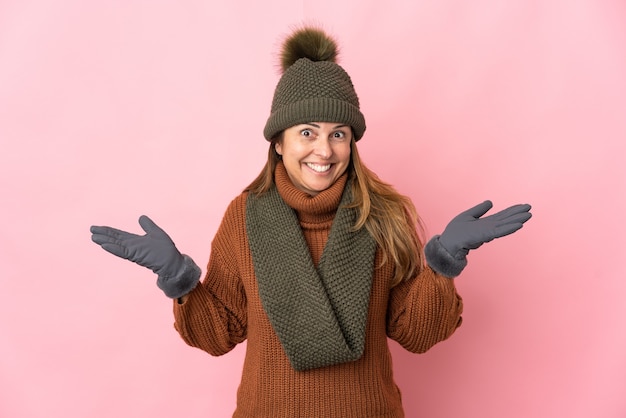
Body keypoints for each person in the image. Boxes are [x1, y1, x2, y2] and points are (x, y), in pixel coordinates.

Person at [90, 26, 532, 418]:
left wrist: (443, 261)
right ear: (278, 142)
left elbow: (416, 334)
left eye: (338, 134)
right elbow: (218, 335)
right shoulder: (244, 218)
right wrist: (178, 278)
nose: (324, 150)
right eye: (307, 131)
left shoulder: (382, 217)